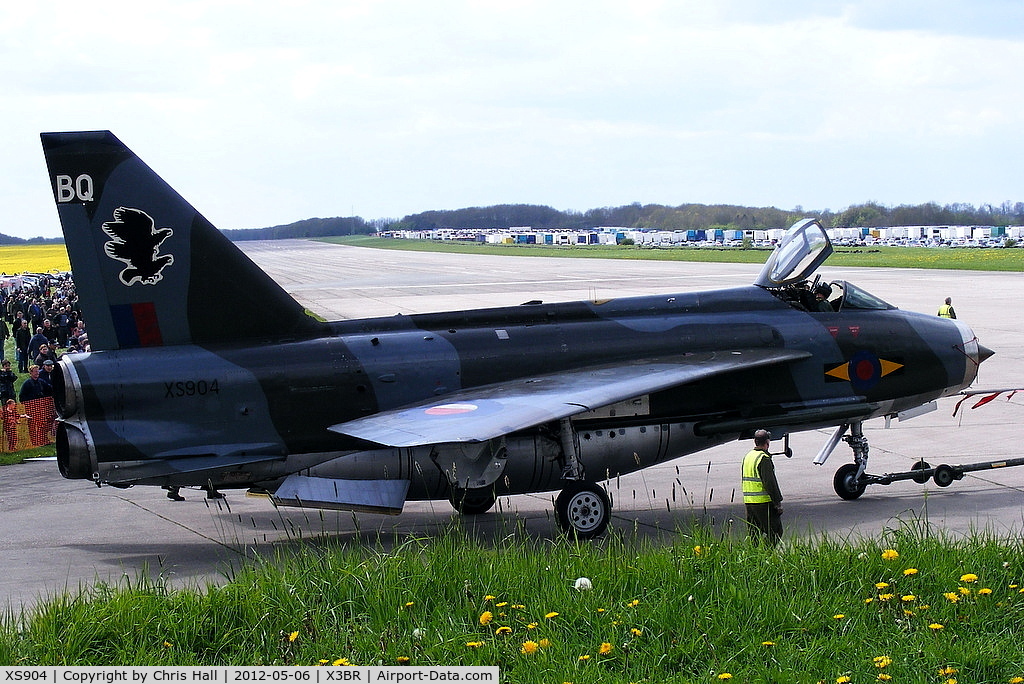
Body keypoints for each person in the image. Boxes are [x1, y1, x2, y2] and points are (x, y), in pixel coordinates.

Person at [741, 429, 784, 546]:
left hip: (749, 503)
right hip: (763, 503)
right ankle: (765, 557)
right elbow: (770, 483)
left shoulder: (748, 456)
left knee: (754, 534)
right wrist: (777, 502)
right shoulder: (763, 458)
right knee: (776, 531)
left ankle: (754, 558)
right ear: (767, 442)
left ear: (755, 441)